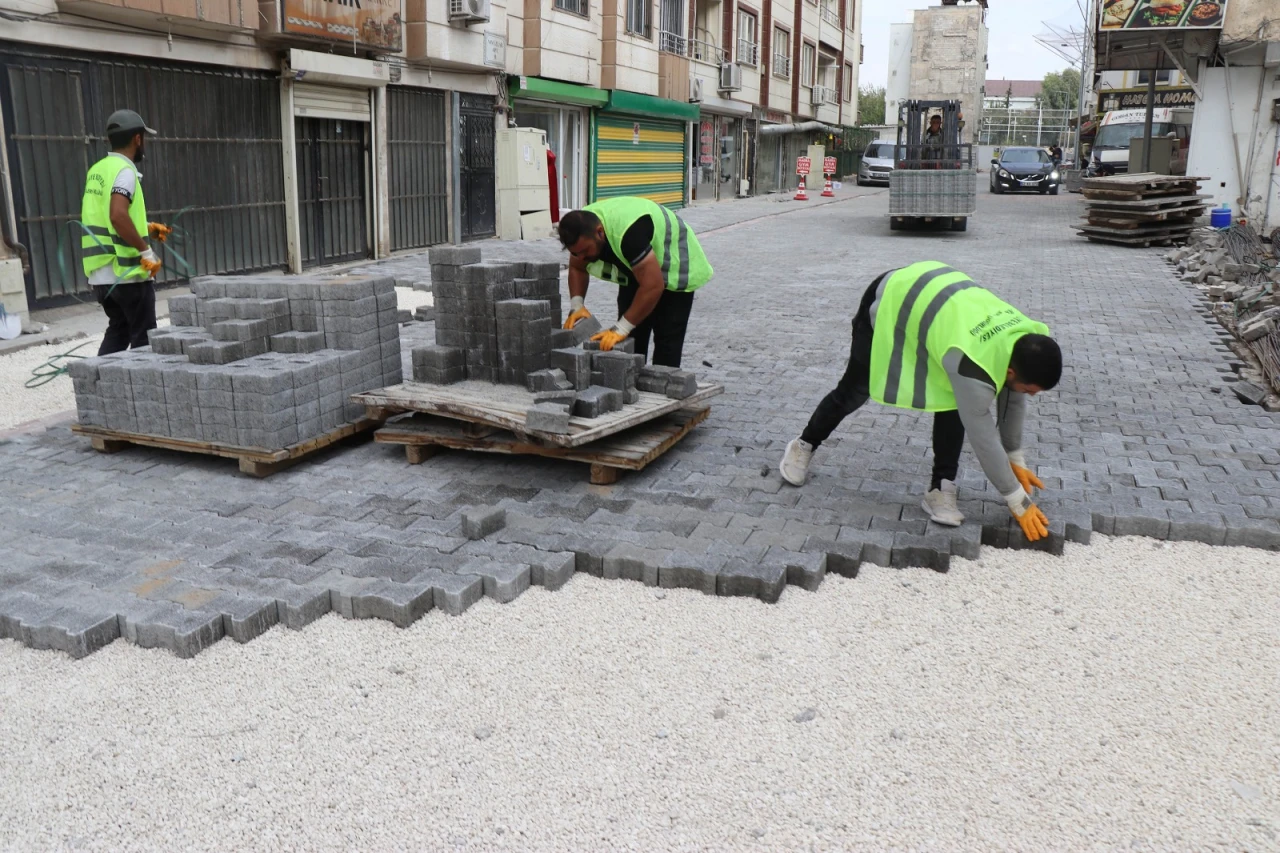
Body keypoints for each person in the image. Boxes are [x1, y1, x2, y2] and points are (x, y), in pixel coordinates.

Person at [778, 261, 1063, 543]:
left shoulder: (1024, 340)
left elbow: (1013, 396)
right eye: (1031, 390)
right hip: (893, 299)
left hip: (940, 315)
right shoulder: (973, 362)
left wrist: (1014, 457)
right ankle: (804, 444)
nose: (1031, 396)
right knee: (855, 389)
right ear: (1012, 372)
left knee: (952, 399)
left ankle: (939, 488)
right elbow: (984, 438)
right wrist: (1017, 501)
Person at [557, 197, 713, 367]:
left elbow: (653, 286)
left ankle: (663, 387)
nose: (581, 257)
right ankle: (632, 385)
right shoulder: (582, 229)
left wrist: (622, 327)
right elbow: (577, 268)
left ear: (600, 232)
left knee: (666, 342)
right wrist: (577, 304)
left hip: (676, 267)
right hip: (639, 270)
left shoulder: (629, 234)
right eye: (576, 253)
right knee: (632, 340)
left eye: (585, 251)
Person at [81, 109, 170, 355]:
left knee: (118, 330)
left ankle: (101, 388)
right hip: (127, 273)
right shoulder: (125, 172)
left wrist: (146, 228)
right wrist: (146, 250)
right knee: (145, 339)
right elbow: (117, 215)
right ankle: (144, 392)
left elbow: (107, 215)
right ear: (137, 139)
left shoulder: (97, 170)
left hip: (102, 275)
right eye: (144, 138)